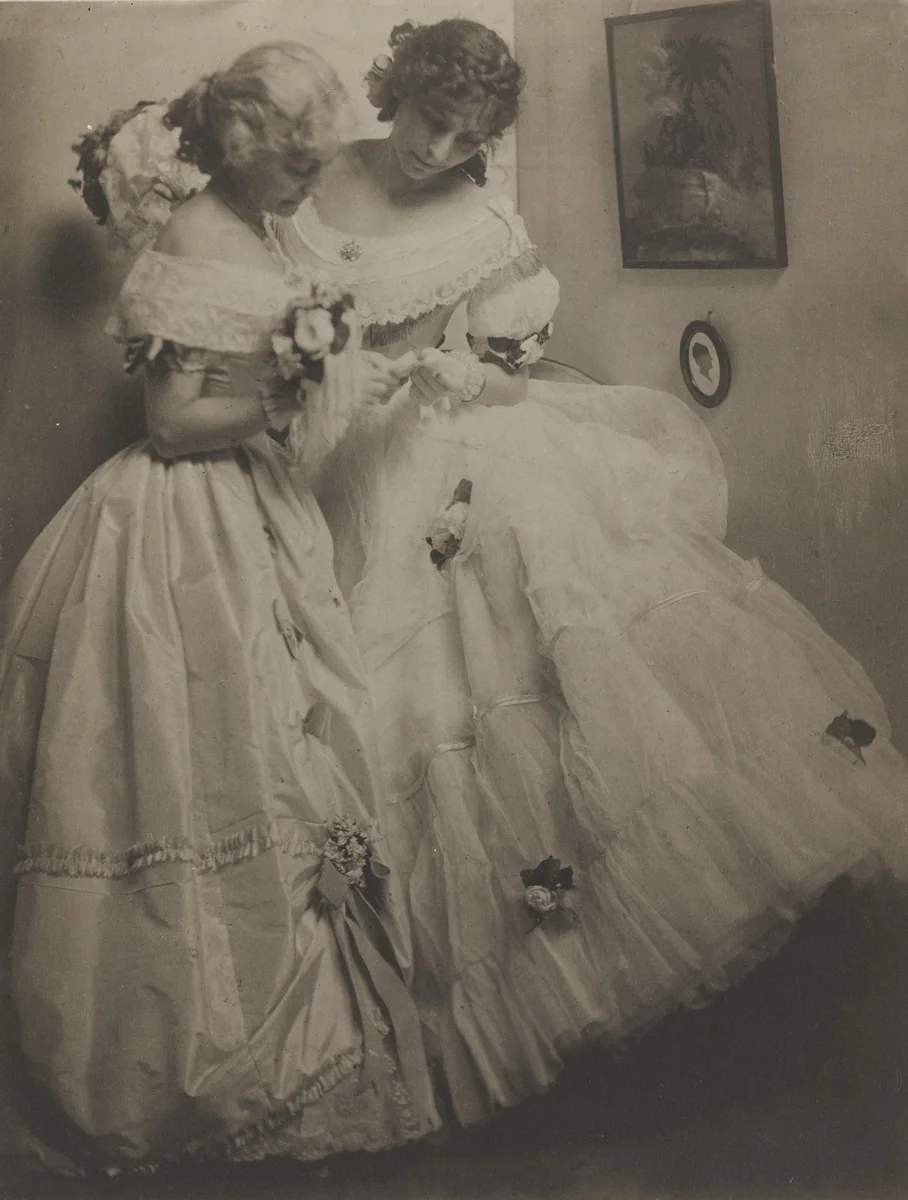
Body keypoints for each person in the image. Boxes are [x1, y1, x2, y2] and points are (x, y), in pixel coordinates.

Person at [272, 17, 908, 1129]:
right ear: (395, 92)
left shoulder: (482, 217)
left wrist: (462, 379)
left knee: (543, 672)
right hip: (324, 467)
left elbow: (509, 372)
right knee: (365, 709)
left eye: (468, 135)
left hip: (447, 462)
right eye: (430, 121)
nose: (439, 149)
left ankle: (604, 981)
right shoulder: (316, 182)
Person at [0, 43, 438, 1174]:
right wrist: (285, 394)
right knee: (188, 762)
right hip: (180, 529)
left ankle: (300, 1032)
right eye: (294, 167)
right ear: (248, 157)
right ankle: (184, 1045)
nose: (308, 185)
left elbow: (280, 350)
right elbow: (171, 425)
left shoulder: (258, 228)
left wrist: (333, 374)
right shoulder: (191, 241)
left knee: (284, 747)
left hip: (257, 510)